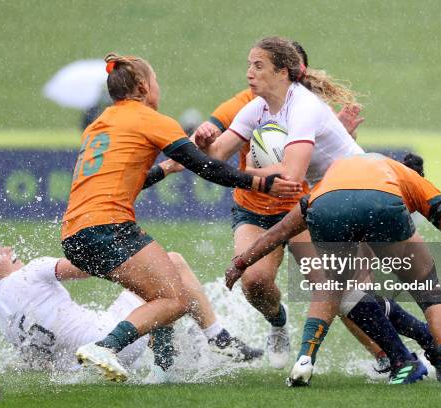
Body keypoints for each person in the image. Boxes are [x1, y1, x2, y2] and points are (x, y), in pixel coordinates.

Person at [60, 52, 301, 382]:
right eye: (156, 81)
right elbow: (206, 166)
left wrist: (165, 168)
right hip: (108, 226)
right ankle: (106, 346)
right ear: (144, 86)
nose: (158, 88)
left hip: (75, 233)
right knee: (172, 298)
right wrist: (259, 182)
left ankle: (163, 367)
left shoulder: (99, 125)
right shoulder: (149, 118)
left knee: (166, 278)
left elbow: (132, 180)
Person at [225, 152, 441, 391]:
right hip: (380, 205)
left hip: (327, 206)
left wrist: (240, 263)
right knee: (429, 292)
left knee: (334, 286)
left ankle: (304, 361)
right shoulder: (415, 184)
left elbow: (278, 232)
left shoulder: (339, 177)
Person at [194, 37, 365, 369]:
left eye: (258, 66)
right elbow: (214, 154)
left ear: (284, 72)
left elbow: (295, 172)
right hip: (254, 210)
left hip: (301, 207)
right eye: (249, 65)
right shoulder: (250, 105)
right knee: (254, 282)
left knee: (335, 289)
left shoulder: (305, 106)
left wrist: (246, 172)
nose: (249, 73)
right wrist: (203, 145)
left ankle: (389, 356)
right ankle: (278, 324)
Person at [0, 241, 263, 376]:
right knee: (169, 265)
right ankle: (216, 339)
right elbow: (94, 265)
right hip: (113, 343)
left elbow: (38, 362)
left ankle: (173, 346)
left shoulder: (2, 317)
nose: (9, 247)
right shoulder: (33, 270)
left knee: (154, 288)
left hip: (84, 366)